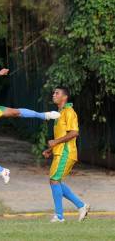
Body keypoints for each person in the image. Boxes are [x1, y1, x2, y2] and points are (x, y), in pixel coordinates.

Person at [42, 86, 90, 222]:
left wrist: (55, 142)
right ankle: (81, 206)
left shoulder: (69, 111)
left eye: (57, 93)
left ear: (65, 97)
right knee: (55, 181)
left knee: (54, 180)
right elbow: (63, 135)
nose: (54, 95)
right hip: (59, 152)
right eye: (53, 93)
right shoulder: (60, 113)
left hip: (66, 152)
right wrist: (50, 149)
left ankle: (59, 216)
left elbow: (74, 132)